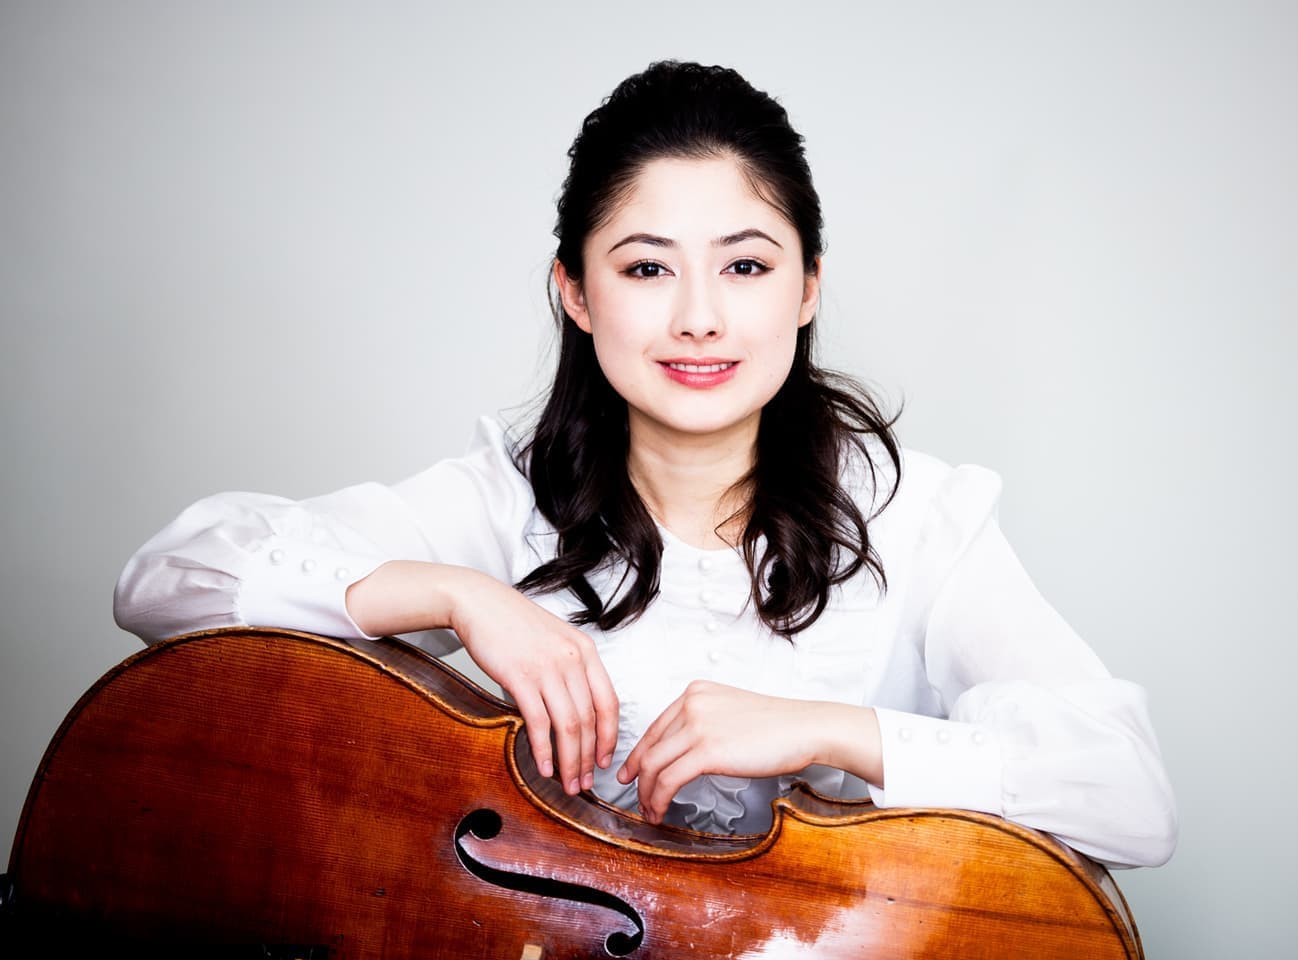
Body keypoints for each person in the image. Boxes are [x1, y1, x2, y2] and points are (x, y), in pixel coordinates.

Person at [114, 60, 1177, 868]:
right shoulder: (505, 500)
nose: (699, 318)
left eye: (746, 266)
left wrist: (831, 732)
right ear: (576, 294)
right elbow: (166, 582)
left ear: (808, 286)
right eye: (646, 268)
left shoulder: (920, 519)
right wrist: (458, 595)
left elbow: (1129, 797)